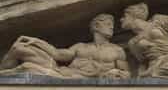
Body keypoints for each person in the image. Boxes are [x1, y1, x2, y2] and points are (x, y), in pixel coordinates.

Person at [0, 13, 130, 79]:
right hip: (64, 75)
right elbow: (58, 54)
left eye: (111, 24)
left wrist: (115, 73)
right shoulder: (80, 46)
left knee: (27, 66)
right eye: (107, 23)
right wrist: (35, 41)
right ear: (96, 26)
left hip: (84, 80)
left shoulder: (117, 50)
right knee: (20, 48)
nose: (112, 27)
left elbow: (127, 74)